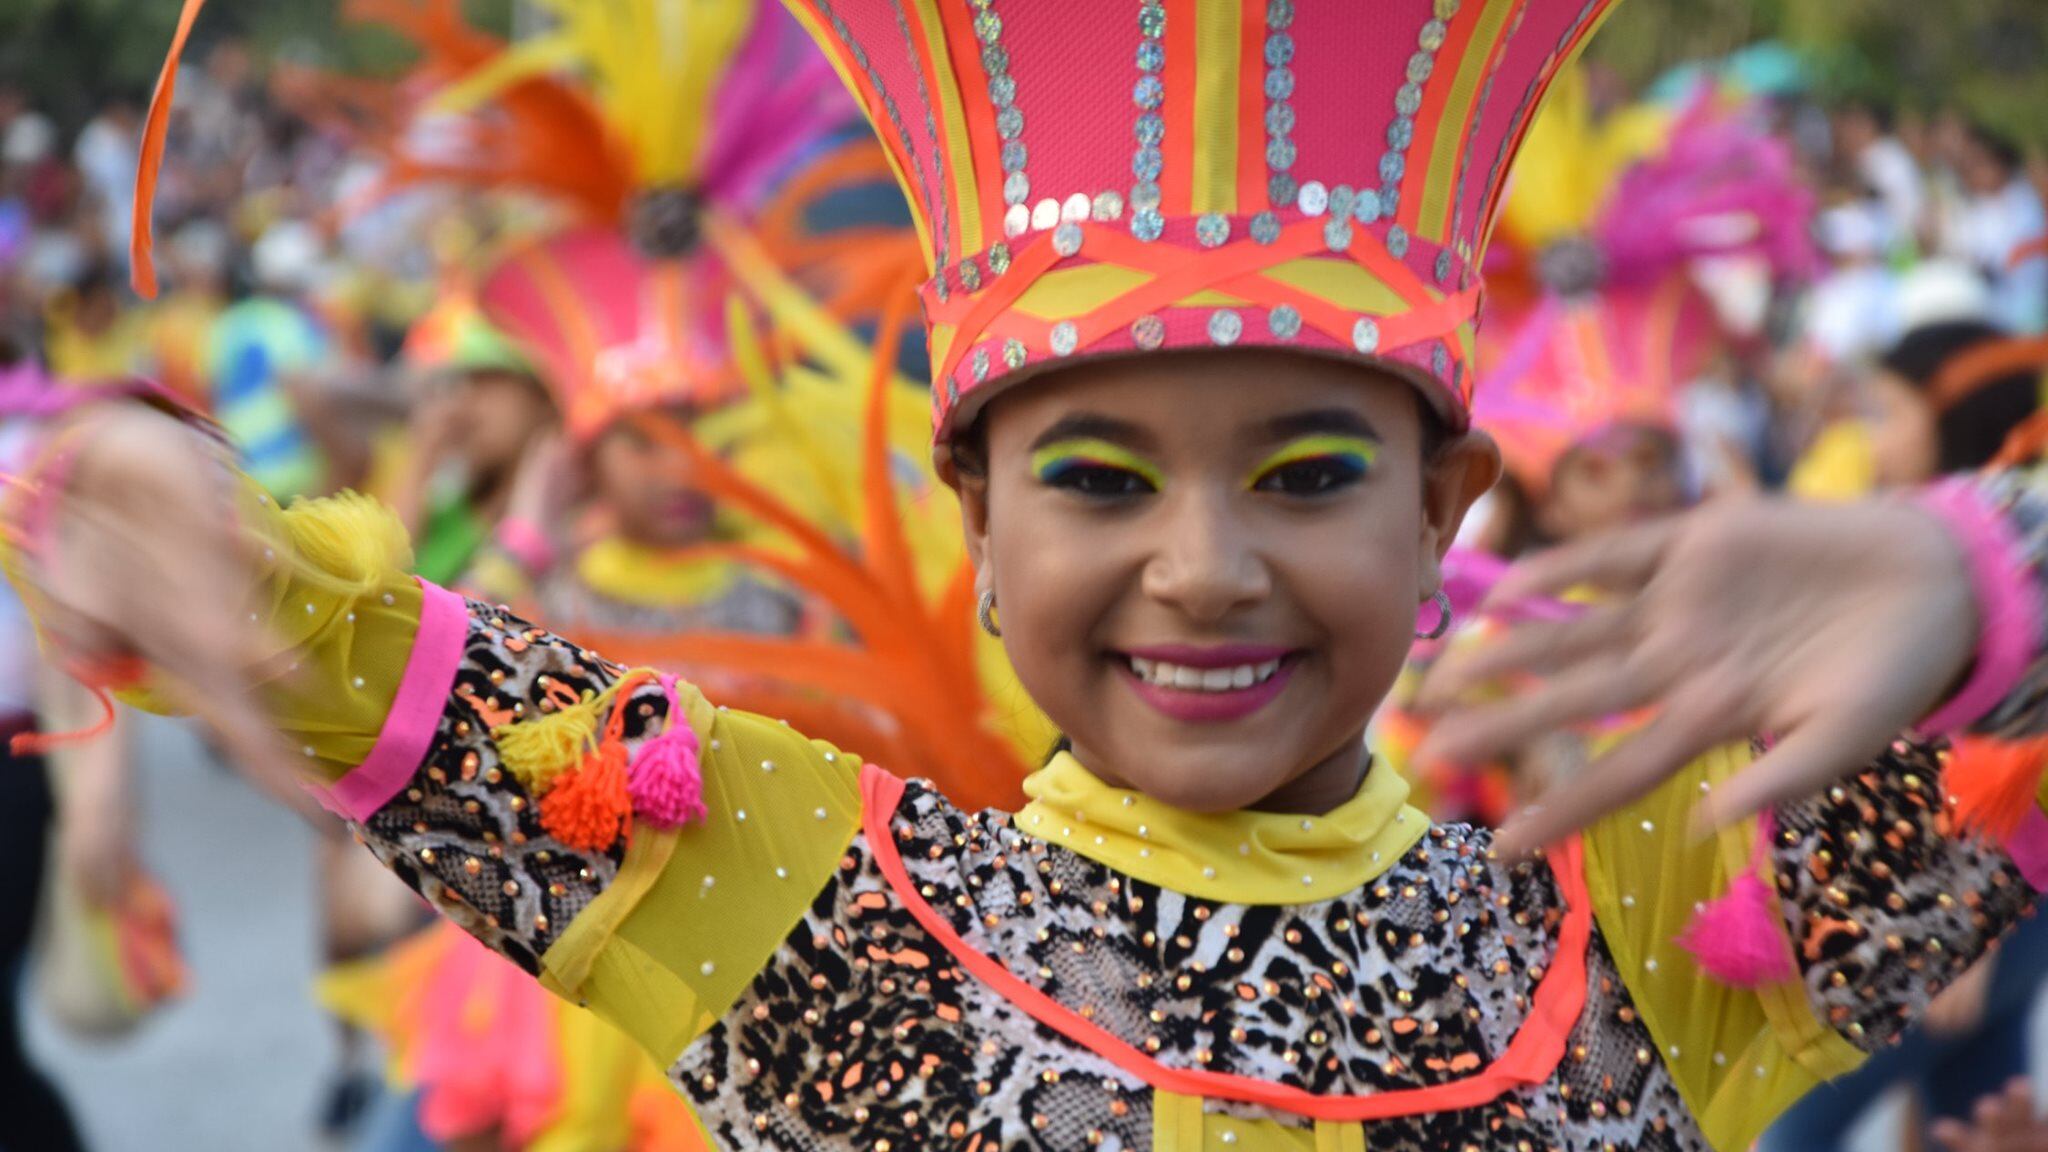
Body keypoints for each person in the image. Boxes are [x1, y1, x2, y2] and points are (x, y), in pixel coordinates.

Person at [19, 2, 2048, 1150]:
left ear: (1444, 510)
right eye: (1097, 480)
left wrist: (1990, 574)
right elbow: (370, 659)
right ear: (981, 528)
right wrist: (134, 495)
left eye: (1307, 474)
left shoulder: (1641, 931)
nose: (1205, 567)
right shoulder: (828, 916)